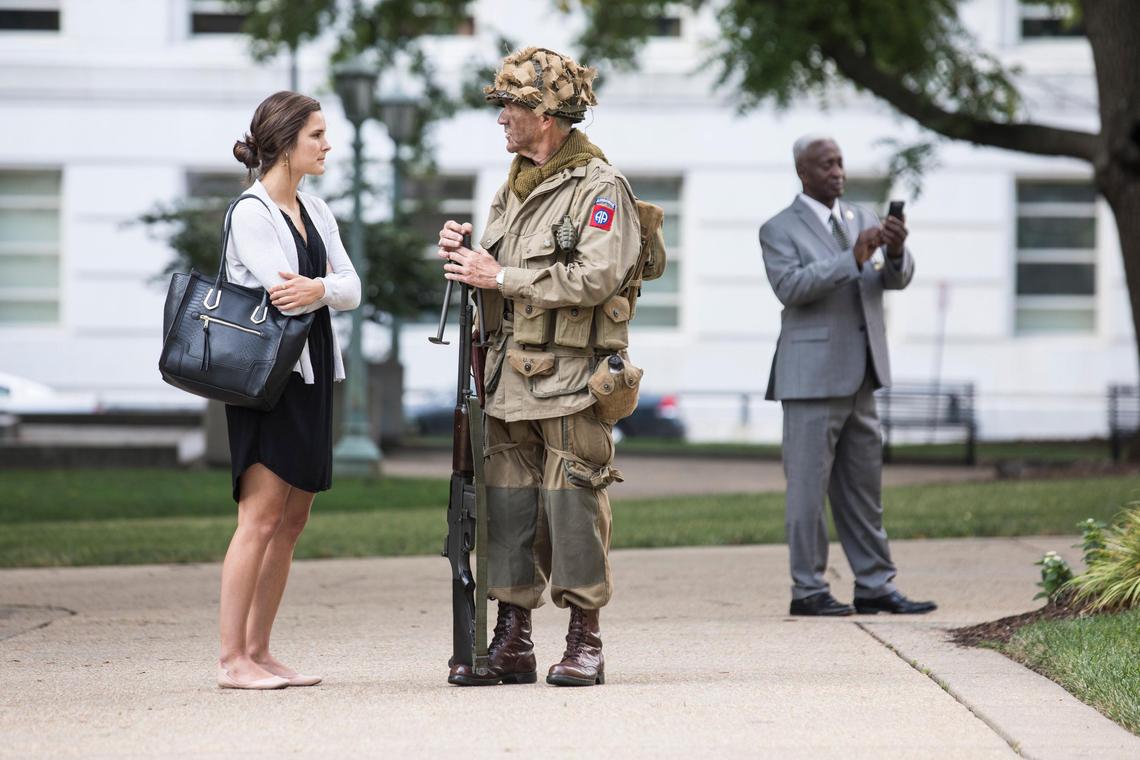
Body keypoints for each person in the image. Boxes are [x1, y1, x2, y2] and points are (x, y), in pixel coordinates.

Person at [437, 47, 641, 687]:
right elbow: (501, 279)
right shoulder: (513, 188)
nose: (501, 119)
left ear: (547, 115)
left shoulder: (599, 187)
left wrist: (501, 273)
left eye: (512, 108)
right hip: (506, 380)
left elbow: (598, 274)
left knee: (573, 505)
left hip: (571, 378)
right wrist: (470, 257)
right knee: (508, 509)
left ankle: (586, 638)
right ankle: (514, 637)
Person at [216, 91, 361, 689]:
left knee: (294, 518)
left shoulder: (316, 210)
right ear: (283, 144)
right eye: (317, 136)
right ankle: (231, 660)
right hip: (266, 380)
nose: (328, 145)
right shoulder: (251, 213)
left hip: (312, 372)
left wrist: (319, 287)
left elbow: (349, 288)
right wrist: (322, 287)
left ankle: (260, 649)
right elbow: (284, 291)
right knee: (260, 515)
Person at [760, 135, 937, 617]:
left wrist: (896, 253)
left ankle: (875, 585)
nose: (838, 171)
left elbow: (892, 280)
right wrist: (852, 258)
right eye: (827, 164)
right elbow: (790, 287)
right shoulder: (779, 228)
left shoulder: (862, 218)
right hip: (810, 379)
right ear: (804, 173)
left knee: (864, 489)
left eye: (840, 162)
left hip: (863, 374)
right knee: (807, 493)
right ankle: (809, 589)